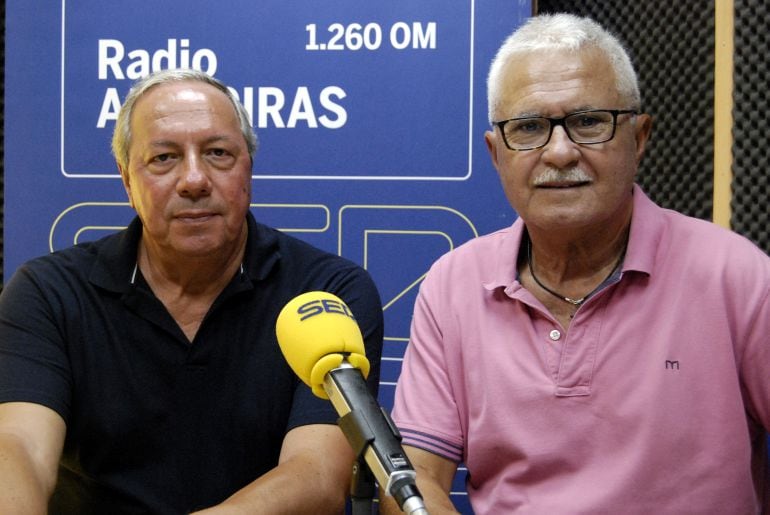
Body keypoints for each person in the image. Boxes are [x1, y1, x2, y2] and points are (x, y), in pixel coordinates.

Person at [381, 13, 770, 515]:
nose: (560, 152)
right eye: (529, 127)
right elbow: (415, 480)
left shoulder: (737, 277)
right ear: (496, 154)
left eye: (588, 122)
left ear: (640, 137)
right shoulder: (453, 284)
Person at [0, 68, 384, 514]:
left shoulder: (325, 293)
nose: (194, 180)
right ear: (127, 181)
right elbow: (19, 448)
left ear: (248, 170)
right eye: (164, 158)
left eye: (218, 153)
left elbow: (317, 476)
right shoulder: (49, 293)